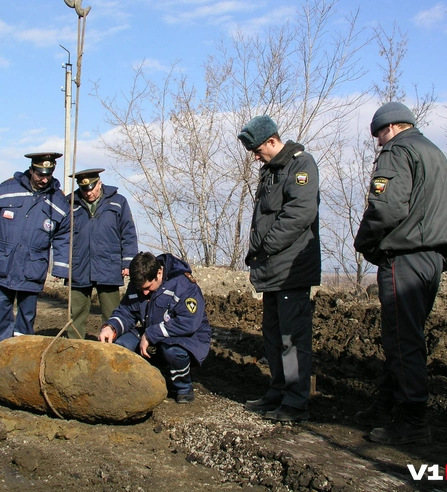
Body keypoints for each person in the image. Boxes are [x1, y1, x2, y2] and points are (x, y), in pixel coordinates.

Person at [354, 102, 447, 445]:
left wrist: (365, 242)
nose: (380, 143)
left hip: (405, 258)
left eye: (380, 136)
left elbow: (386, 207)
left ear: (391, 127)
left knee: (402, 340)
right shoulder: (434, 152)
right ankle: (385, 406)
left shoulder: (398, 151)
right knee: (406, 336)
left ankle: (413, 420)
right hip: (433, 259)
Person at [237, 115, 321, 422]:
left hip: (291, 270)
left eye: (258, 150)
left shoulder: (301, 165)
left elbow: (298, 215)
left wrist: (263, 248)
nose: (256, 157)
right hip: (272, 270)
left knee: (292, 337)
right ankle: (278, 390)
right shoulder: (270, 171)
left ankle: (296, 402)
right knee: (273, 335)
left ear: (272, 141)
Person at [0, 152, 70, 345]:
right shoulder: (7, 188)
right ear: (31, 169)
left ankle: (21, 352)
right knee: (1, 314)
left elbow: (63, 237)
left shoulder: (58, 201)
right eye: (40, 174)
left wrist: (60, 267)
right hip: (3, 264)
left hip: (32, 269)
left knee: (26, 317)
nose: (44, 179)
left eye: (48, 175)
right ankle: (0, 351)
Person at [98, 252, 211, 404]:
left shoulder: (184, 285)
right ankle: (126, 384)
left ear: (159, 273)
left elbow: (188, 322)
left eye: (148, 288)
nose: (144, 292)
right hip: (151, 331)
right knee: (120, 346)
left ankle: (183, 387)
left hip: (187, 337)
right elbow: (126, 311)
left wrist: (151, 334)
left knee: (172, 351)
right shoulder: (139, 283)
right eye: (140, 288)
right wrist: (111, 327)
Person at [67, 168, 138, 339]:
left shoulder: (118, 201)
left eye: (92, 188)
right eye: (84, 189)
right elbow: (62, 235)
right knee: (75, 313)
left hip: (109, 265)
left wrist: (128, 262)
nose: (88, 193)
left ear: (99, 183)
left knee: (112, 312)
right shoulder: (70, 203)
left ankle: (114, 346)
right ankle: (74, 347)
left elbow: (128, 233)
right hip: (79, 266)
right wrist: (62, 265)